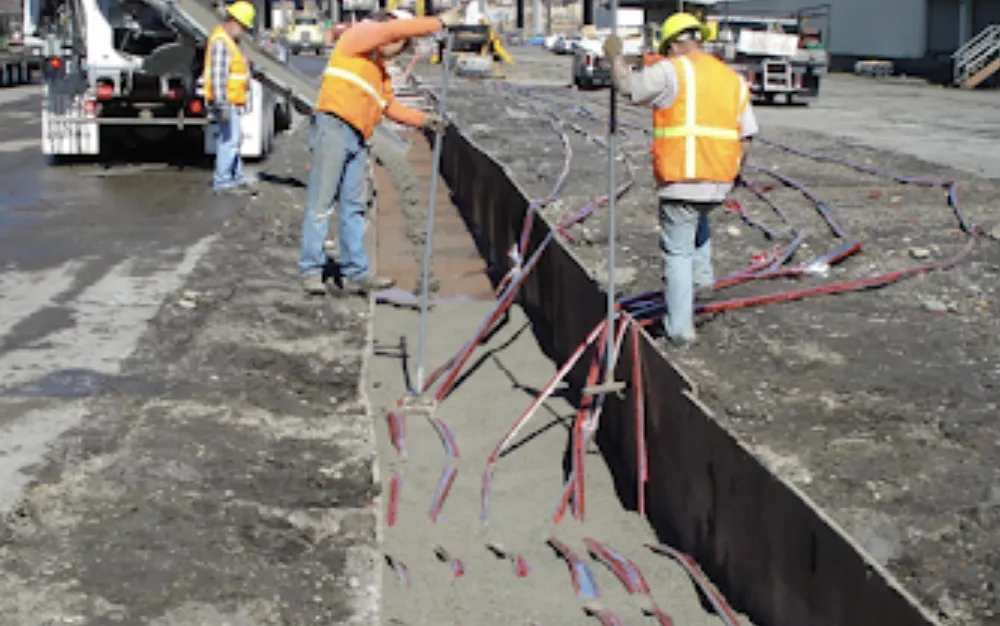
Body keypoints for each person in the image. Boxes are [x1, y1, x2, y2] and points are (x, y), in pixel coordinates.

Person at [604, 13, 758, 347]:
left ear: (673, 43)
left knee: (677, 252)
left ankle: (679, 329)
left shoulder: (673, 68)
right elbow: (746, 136)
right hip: (719, 177)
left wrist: (615, 56)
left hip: (682, 175)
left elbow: (629, 87)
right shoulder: (731, 77)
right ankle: (702, 280)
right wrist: (734, 172)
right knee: (698, 217)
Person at [298, 7, 464, 296]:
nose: (398, 49)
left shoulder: (380, 72)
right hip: (334, 127)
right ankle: (311, 270)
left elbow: (389, 107)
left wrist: (423, 120)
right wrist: (437, 23)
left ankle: (356, 273)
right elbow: (390, 32)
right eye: (401, 42)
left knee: (354, 206)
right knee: (322, 203)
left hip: (358, 136)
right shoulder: (358, 38)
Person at [203, 0, 257, 195]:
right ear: (233, 21)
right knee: (229, 141)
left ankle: (237, 177)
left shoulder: (230, 42)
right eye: (243, 26)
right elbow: (218, 75)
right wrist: (221, 103)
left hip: (233, 101)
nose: (243, 31)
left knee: (233, 140)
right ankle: (223, 180)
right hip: (227, 101)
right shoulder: (221, 42)